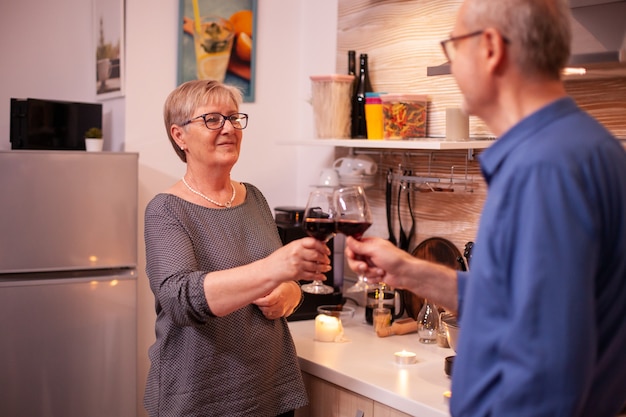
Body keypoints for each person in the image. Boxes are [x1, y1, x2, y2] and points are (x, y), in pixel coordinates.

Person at [345, 0, 626, 416]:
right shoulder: (587, 147)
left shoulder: (542, 167)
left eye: (455, 48)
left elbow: (549, 364)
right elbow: (513, 301)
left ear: (491, 47)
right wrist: (406, 270)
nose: (454, 68)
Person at [143, 79, 331, 417]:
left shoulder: (254, 197)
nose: (228, 128)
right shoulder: (166, 210)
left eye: (233, 118)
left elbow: (285, 283)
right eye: (212, 119)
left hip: (270, 388)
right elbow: (180, 298)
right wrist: (275, 270)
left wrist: (290, 294)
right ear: (179, 135)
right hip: (200, 398)